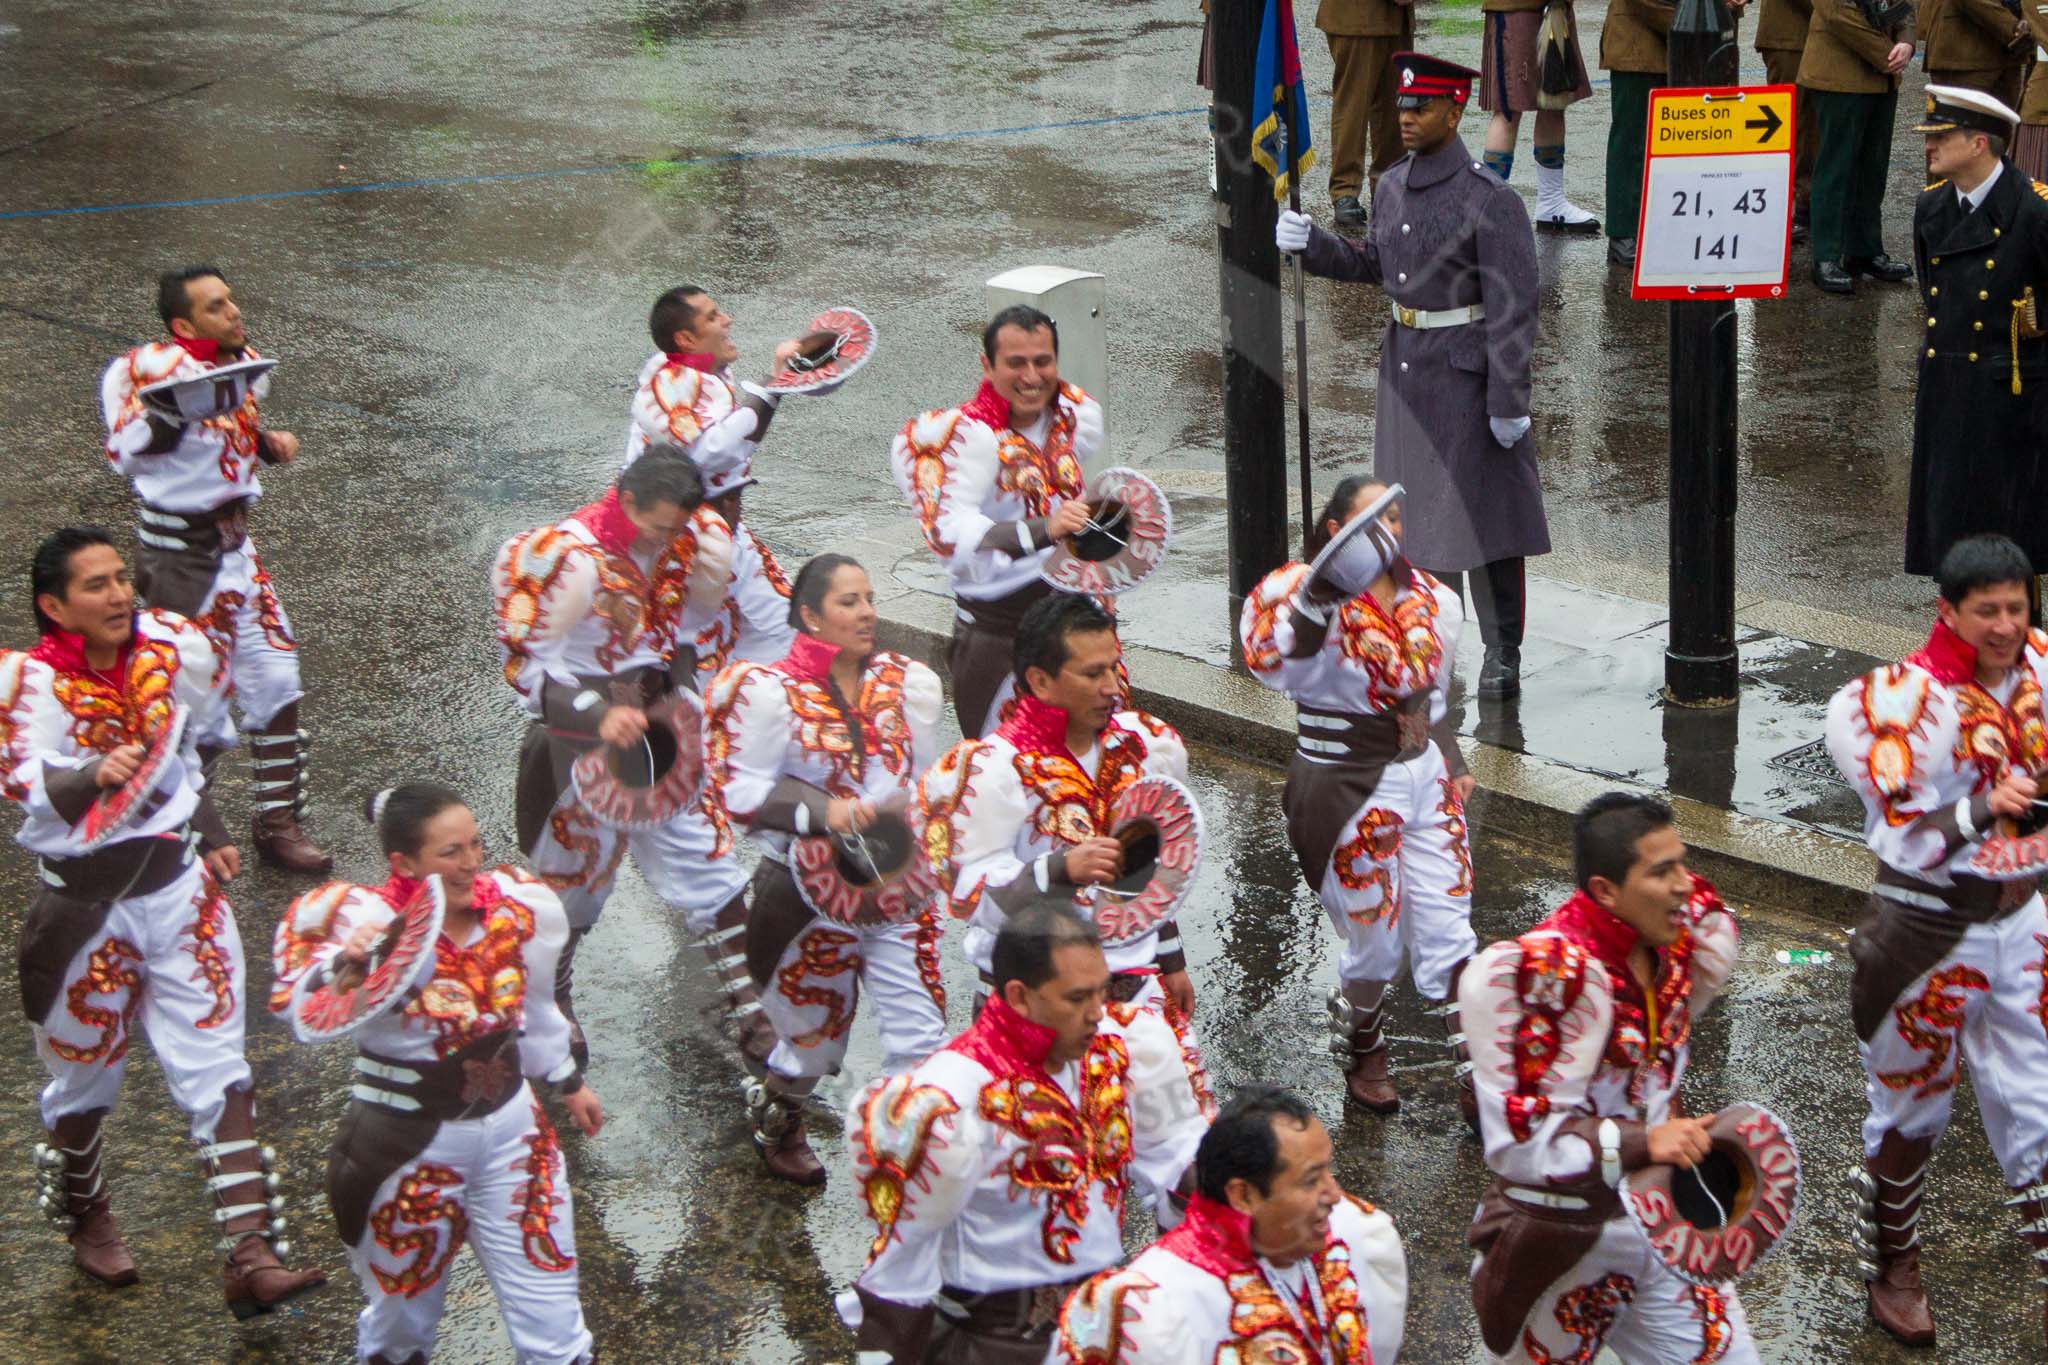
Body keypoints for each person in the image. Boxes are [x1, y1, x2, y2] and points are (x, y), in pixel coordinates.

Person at [11, 527, 326, 1314]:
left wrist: (211, 831)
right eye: (96, 585)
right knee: (85, 1080)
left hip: (180, 896)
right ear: (55, 606)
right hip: (84, 914)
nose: (120, 594)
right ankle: (88, 1215)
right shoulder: (25, 684)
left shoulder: (169, 648)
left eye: (122, 577)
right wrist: (90, 771)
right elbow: (22, 778)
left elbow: (181, 754)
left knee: (217, 1066)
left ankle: (251, 1257)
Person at [269, 784, 602, 1365]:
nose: (471, 862)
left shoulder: (518, 906)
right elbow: (303, 1010)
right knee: (401, 1333)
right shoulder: (362, 924)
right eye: (450, 853)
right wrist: (351, 967)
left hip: (514, 1137)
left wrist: (568, 1082)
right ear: (404, 863)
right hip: (402, 1150)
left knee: (557, 1329)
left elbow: (539, 1008)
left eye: (474, 844)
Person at [1823, 534, 2048, 1348]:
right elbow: (1903, 833)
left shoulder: (2042, 671)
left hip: (2021, 919)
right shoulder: (1892, 701)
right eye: (1985, 609)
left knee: (2040, 1104)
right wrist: (1986, 807)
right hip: (1925, 933)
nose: (2003, 624)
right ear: (1946, 610)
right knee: (1912, 1110)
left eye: (2016, 607)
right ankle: (1895, 1262)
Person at [1277, 52, 1547, 699]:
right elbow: (1378, 264)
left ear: (1455, 113)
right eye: (1402, 106)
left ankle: (1503, 649)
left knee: (1485, 525)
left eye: (1421, 107)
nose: (1405, 117)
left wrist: (1509, 397)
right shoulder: (1393, 183)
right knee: (1416, 524)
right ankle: (1435, 639)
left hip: (1466, 375)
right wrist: (1313, 244)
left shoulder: (1490, 199)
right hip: (1405, 368)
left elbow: (1514, 307)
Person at [838, 904, 1212, 1363]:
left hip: (1100, 1329)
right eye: (1076, 999)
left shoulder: (1125, 1047)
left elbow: (1178, 1164)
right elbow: (898, 1284)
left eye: (1101, 992)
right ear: (1018, 996)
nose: (1098, 1013)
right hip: (997, 1343)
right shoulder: (946, 1102)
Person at [491, 446, 765, 1072]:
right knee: (569, 893)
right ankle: (554, 1002)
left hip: (661, 734)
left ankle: (754, 1011)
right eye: (658, 526)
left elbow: (688, 635)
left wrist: (687, 688)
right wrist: (597, 715)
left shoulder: (692, 542)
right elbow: (530, 666)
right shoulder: (563, 556)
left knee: (709, 865)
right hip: (576, 747)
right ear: (628, 499)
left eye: (677, 530)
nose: (666, 540)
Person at [1460, 793, 1757, 1362]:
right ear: (1605, 891)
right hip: (1568, 1238)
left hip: (1667, 1220)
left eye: (1682, 864)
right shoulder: (1549, 979)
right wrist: (1648, 1141)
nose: (1684, 886)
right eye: (1661, 871)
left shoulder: (1683, 943)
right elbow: (1523, 1146)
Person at [1238, 478, 1479, 1119]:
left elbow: (1430, 696)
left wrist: (1451, 759)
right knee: (1376, 940)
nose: (1391, 531)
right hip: (1343, 782)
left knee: (1450, 925)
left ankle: (1480, 1071)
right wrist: (1321, 597)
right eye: (1374, 519)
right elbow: (1279, 661)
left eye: (1397, 517)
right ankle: (1365, 1043)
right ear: (1335, 528)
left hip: (1423, 776)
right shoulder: (1294, 592)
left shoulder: (1432, 598)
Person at [705, 553, 948, 1185]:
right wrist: (827, 811)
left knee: (920, 1043)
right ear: (809, 615)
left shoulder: (908, 684)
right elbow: (743, 794)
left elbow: (924, 785)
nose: (867, 612)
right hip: (804, 899)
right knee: (812, 1048)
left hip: (898, 894)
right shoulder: (767, 693)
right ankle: (776, 1113)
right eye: (849, 602)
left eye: (869, 598)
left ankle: (906, 1180)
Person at [97, 265, 331, 872]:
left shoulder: (242, 364)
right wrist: (174, 413)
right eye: (216, 306)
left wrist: (264, 444)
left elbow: (229, 439)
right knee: (193, 702)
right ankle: (192, 830)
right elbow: (127, 455)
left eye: (230, 300)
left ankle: (277, 825)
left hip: (239, 554)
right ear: (182, 324)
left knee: (278, 683)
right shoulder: (137, 373)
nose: (233, 313)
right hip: (181, 563)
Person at [918, 593, 1195, 1019]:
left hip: (1135, 992)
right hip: (1034, 1004)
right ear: (1041, 681)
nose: (1112, 687)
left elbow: (1149, 872)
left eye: (1113, 666)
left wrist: (1171, 959)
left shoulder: (1140, 748)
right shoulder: (992, 771)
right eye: (1092, 673)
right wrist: (1060, 870)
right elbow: (978, 899)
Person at [1053, 1085, 1408, 1364]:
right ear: (1244, 1195)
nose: (1333, 1194)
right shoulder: (1151, 1308)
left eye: (1329, 1170)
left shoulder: (1354, 1234)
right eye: (1310, 1179)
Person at [890, 305, 1106, 739]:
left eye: (1042, 361)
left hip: (1079, 631)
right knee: (1007, 774)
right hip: (1003, 638)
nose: (1031, 377)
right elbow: (951, 535)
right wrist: (1047, 528)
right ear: (987, 365)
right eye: (1016, 363)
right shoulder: (961, 439)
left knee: (1090, 766)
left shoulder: (1073, 416)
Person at [1906, 88, 2048, 587]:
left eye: (1942, 137)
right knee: (1951, 534)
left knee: (2011, 537)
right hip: (1947, 388)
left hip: (2010, 395)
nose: (1929, 147)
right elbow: (1933, 296)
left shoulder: (2033, 211)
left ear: (1980, 143)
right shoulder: (1931, 209)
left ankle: (2021, 647)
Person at [626, 285, 803, 679]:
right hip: (684, 552)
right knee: (698, 655)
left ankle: (769, 719)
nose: (727, 321)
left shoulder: (698, 374)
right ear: (686, 339)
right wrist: (775, 385)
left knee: (788, 635)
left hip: (725, 540)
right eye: (712, 316)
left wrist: (789, 378)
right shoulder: (668, 387)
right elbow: (717, 449)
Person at [1602, 0, 1751, 265]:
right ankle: (1624, 231)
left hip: (1701, 42)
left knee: (1689, 147)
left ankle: (1677, 226)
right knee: (1633, 140)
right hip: (1640, 42)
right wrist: (1697, 21)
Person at [1799, 0, 1918, 293]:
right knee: (1835, 169)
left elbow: (1903, 6)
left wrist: (1906, 43)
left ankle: (1865, 250)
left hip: (1883, 77)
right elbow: (1838, 14)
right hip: (1839, 74)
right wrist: (1886, 55)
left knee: (1872, 169)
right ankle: (1826, 256)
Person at [1479, 0, 1602, 233]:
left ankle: (1551, 201)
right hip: (1516, 9)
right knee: (1508, 111)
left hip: (1556, 8)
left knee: (1555, 102)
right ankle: (1489, 211)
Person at [1317, 0, 1416, 228]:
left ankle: (1389, 187)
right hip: (1356, 16)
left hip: (1396, 18)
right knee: (1353, 106)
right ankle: (1345, 191)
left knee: (1396, 108)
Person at [1754, 0, 1820, 241]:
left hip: (1810, 35)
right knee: (1795, 125)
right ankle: (1793, 208)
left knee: (1809, 127)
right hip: (1790, 37)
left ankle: (1805, 203)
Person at [1920, 0, 2028, 111]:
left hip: (2007, 56)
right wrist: (2016, 29)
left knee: (2002, 123)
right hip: (1964, 56)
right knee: (1961, 122)